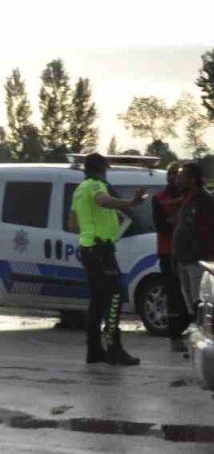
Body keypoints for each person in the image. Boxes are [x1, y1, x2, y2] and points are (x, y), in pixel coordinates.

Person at [70, 153, 148, 366]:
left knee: (96, 301)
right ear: (101, 169)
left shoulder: (79, 190)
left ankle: (94, 351)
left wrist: (90, 229)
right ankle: (114, 348)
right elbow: (102, 201)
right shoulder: (95, 185)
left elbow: (73, 224)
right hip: (100, 250)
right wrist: (131, 202)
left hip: (88, 248)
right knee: (114, 297)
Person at [171, 162, 214, 333]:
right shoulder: (186, 200)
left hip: (198, 261)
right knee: (191, 306)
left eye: (181, 177)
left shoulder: (206, 200)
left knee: (200, 303)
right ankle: (197, 336)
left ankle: (204, 338)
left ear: (192, 179)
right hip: (183, 260)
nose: (177, 180)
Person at [151, 162, 189, 352]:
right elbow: (161, 225)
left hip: (188, 251)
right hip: (167, 252)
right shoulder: (159, 198)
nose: (173, 177)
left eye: (177, 174)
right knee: (173, 294)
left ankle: (189, 330)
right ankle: (175, 336)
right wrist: (180, 222)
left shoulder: (190, 196)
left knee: (189, 294)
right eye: (170, 174)